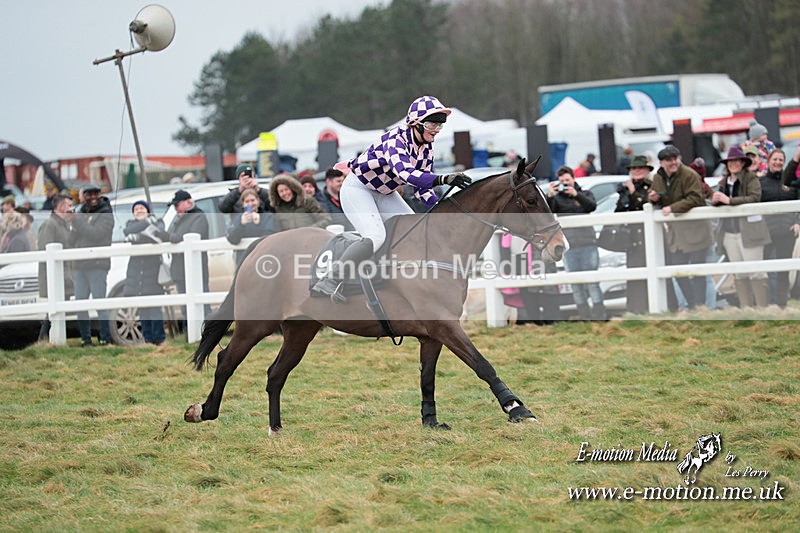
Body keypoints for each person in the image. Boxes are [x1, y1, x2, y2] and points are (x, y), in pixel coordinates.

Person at [312, 95, 471, 302]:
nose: (437, 129)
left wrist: (441, 207)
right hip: (358, 189)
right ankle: (331, 279)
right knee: (376, 236)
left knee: (413, 231)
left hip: (384, 193)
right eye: (433, 123)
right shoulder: (396, 139)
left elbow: (421, 189)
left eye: (440, 124)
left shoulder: (427, 148)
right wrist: (443, 178)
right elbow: (406, 174)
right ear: (415, 123)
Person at [648, 145, 713, 312]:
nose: (673, 162)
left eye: (675, 158)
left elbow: (696, 198)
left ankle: (700, 308)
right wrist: (654, 199)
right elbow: (658, 198)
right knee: (677, 270)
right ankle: (692, 305)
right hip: (676, 234)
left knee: (698, 272)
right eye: (668, 160)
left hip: (695, 230)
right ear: (661, 162)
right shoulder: (658, 177)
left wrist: (673, 208)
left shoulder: (690, 175)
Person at [711, 146, 771, 308]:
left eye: (737, 161)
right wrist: (715, 201)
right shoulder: (723, 182)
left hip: (750, 232)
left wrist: (729, 201)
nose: (733, 164)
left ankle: (763, 311)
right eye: (730, 161)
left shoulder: (751, 179)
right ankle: (746, 311)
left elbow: (754, 198)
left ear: (743, 163)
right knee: (739, 273)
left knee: (756, 272)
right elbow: (717, 201)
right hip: (729, 233)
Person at [547, 165, 606, 320]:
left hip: (588, 243)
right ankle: (585, 317)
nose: (565, 183)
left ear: (574, 179)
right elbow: (549, 212)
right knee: (575, 284)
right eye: (562, 181)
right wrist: (550, 195)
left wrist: (576, 195)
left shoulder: (584, 193)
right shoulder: (557, 199)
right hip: (569, 246)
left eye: (567, 180)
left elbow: (591, 206)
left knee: (592, 282)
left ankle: (600, 316)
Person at [69, 183, 114, 346]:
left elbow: (96, 235)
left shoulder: (106, 212)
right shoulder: (81, 212)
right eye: (89, 194)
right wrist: (74, 225)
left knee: (99, 302)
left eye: (96, 194)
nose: (93, 197)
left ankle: (105, 338)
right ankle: (85, 339)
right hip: (80, 266)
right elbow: (71, 240)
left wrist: (78, 223)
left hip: (97, 264)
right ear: (84, 196)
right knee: (80, 302)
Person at [158, 190, 210, 328]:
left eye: (177, 205)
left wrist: (167, 236)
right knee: (185, 308)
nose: (175, 209)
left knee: (203, 307)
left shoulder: (199, 217)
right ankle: (191, 334)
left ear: (188, 203)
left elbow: (189, 238)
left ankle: (206, 334)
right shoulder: (180, 218)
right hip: (180, 270)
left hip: (195, 269)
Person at [121, 200, 167, 345]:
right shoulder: (130, 224)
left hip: (152, 272)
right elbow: (127, 232)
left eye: (142, 208)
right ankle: (147, 340)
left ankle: (159, 340)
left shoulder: (158, 222)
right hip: (137, 273)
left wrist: (139, 236)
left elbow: (159, 234)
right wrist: (147, 223)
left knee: (154, 309)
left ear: (148, 210)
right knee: (143, 310)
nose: (139, 210)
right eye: (136, 208)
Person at [759, 148, 800, 308]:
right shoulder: (761, 183)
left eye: (781, 160)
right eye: (774, 159)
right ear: (769, 161)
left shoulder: (791, 182)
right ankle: (767, 304)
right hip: (767, 232)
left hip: (787, 232)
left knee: (784, 271)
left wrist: (798, 222)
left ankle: (782, 305)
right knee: (765, 269)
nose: (777, 162)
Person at [613, 155, 653, 314]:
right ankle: (636, 310)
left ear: (646, 170)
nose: (636, 171)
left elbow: (646, 204)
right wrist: (626, 195)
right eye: (634, 169)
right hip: (632, 239)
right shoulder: (624, 190)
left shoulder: (651, 186)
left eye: (640, 168)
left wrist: (633, 192)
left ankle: (654, 307)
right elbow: (619, 211)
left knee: (651, 272)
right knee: (635, 275)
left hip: (648, 236)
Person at [37, 193, 75, 341]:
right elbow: (44, 250)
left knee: (58, 309)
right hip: (54, 276)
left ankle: (47, 339)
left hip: (64, 276)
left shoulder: (63, 224)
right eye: (69, 205)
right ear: (60, 206)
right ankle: (43, 339)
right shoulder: (49, 225)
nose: (71, 209)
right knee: (53, 311)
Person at [226, 188, 278, 264]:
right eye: (247, 201)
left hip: (263, 259)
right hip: (244, 261)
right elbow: (232, 239)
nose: (250, 204)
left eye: (253, 200)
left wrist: (259, 223)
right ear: (243, 204)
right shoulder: (240, 218)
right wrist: (241, 224)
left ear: (258, 201)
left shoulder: (268, 217)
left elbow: (269, 238)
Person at [317, 165, 354, 230]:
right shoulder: (320, 199)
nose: (342, 184)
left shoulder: (346, 197)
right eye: (338, 181)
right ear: (328, 181)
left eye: (343, 181)